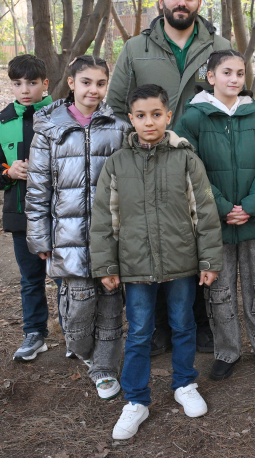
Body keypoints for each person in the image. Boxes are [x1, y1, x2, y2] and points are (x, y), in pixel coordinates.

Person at [106, 0, 230, 355]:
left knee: (194, 235)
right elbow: (116, 105)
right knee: (154, 236)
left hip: (204, 158)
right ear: (161, 0)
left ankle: (200, 323)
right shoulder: (135, 48)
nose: (182, 3)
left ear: (199, 1)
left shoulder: (218, 46)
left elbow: (235, 96)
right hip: (149, 160)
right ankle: (159, 327)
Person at [90, 84, 223, 439]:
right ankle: (136, 400)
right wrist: (107, 266)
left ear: (168, 116)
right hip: (135, 267)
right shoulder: (117, 163)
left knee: (183, 324)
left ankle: (184, 384)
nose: (149, 122)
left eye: (156, 114)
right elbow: (104, 218)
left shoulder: (186, 159)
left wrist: (209, 259)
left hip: (181, 263)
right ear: (131, 119)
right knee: (139, 332)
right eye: (141, 116)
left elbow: (204, 212)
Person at [174, 49, 255, 380]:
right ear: (211, 77)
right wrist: (221, 207)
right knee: (219, 292)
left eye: (239, 73)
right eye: (226, 72)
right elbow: (190, 170)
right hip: (214, 224)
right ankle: (226, 351)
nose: (234, 79)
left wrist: (252, 205)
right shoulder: (192, 119)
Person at [26, 55, 127, 400]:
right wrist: (40, 237)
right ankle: (84, 349)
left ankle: (104, 368)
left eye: (100, 83)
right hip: (66, 237)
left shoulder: (118, 127)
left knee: (111, 303)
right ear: (71, 83)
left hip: (108, 236)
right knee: (80, 304)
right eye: (86, 82)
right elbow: (38, 187)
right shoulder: (49, 128)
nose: (93, 90)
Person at [0, 54, 54, 362]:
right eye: (17, 83)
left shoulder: (61, 117)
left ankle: (78, 335)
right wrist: (8, 173)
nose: (25, 90)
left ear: (45, 84)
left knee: (68, 278)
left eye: (32, 83)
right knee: (31, 279)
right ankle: (35, 334)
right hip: (22, 217)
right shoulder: (3, 126)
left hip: (61, 216)